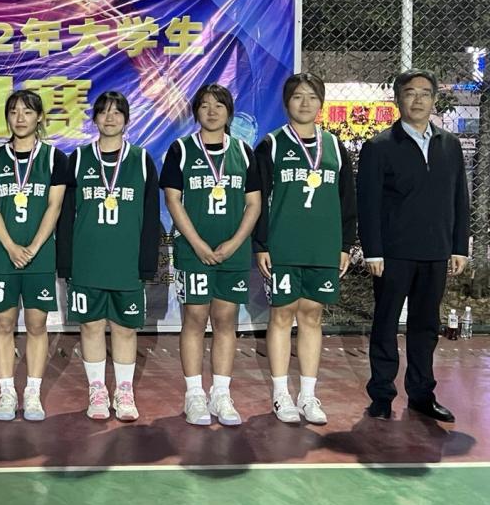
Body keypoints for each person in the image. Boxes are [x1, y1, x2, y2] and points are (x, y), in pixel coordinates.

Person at [358, 69, 469, 422]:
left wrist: (459, 247)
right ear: (397, 99)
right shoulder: (379, 147)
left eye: (425, 92)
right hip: (393, 254)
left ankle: (421, 394)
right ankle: (381, 395)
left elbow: (460, 198)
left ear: (434, 99)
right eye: (410, 92)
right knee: (386, 324)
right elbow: (368, 205)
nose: (418, 99)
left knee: (426, 326)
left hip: (436, 252)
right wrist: (373, 251)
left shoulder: (449, 145)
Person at [254, 73, 357, 424]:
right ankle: (281, 394)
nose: (305, 103)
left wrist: (345, 244)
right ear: (287, 103)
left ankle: (308, 395)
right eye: (298, 96)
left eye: (312, 96)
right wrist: (261, 243)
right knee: (282, 314)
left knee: (312, 315)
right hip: (283, 245)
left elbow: (347, 200)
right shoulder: (271, 145)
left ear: (321, 103)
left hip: (322, 247)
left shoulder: (334, 146)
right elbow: (257, 200)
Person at [161, 83, 261, 427]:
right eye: (204, 105)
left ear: (229, 112)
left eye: (219, 105)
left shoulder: (243, 152)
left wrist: (234, 243)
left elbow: (254, 203)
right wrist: (197, 244)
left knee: (226, 320)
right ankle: (194, 394)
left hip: (233, 251)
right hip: (194, 251)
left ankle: (221, 393)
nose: (212, 111)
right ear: (196, 112)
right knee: (194, 318)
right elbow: (173, 200)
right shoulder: (181, 150)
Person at [56, 90, 160, 422]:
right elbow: (65, 215)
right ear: (95, 119)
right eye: (103, 112)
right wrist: (66, 261)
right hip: (87, 261)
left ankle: (124, 392)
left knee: (125, 328)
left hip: (126, 262)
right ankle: (98, 390)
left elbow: (151, 215)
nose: (110, 118)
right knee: (91, 326)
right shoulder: (78, 159)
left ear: (127, 119)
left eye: (117, 112)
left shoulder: (141, 160)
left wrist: (147, 263)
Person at [0, 90, 68, 421]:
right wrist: (12, 247)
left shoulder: (54, 158)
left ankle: (33, 392)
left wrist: (35, 247)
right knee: (2, 322)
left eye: (27, 112)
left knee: (37, 323)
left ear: (39, 117)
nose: (20, 118)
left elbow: (55, 206)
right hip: (3, 252)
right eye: (14, 112)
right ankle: (6, 391)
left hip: (40, 253)